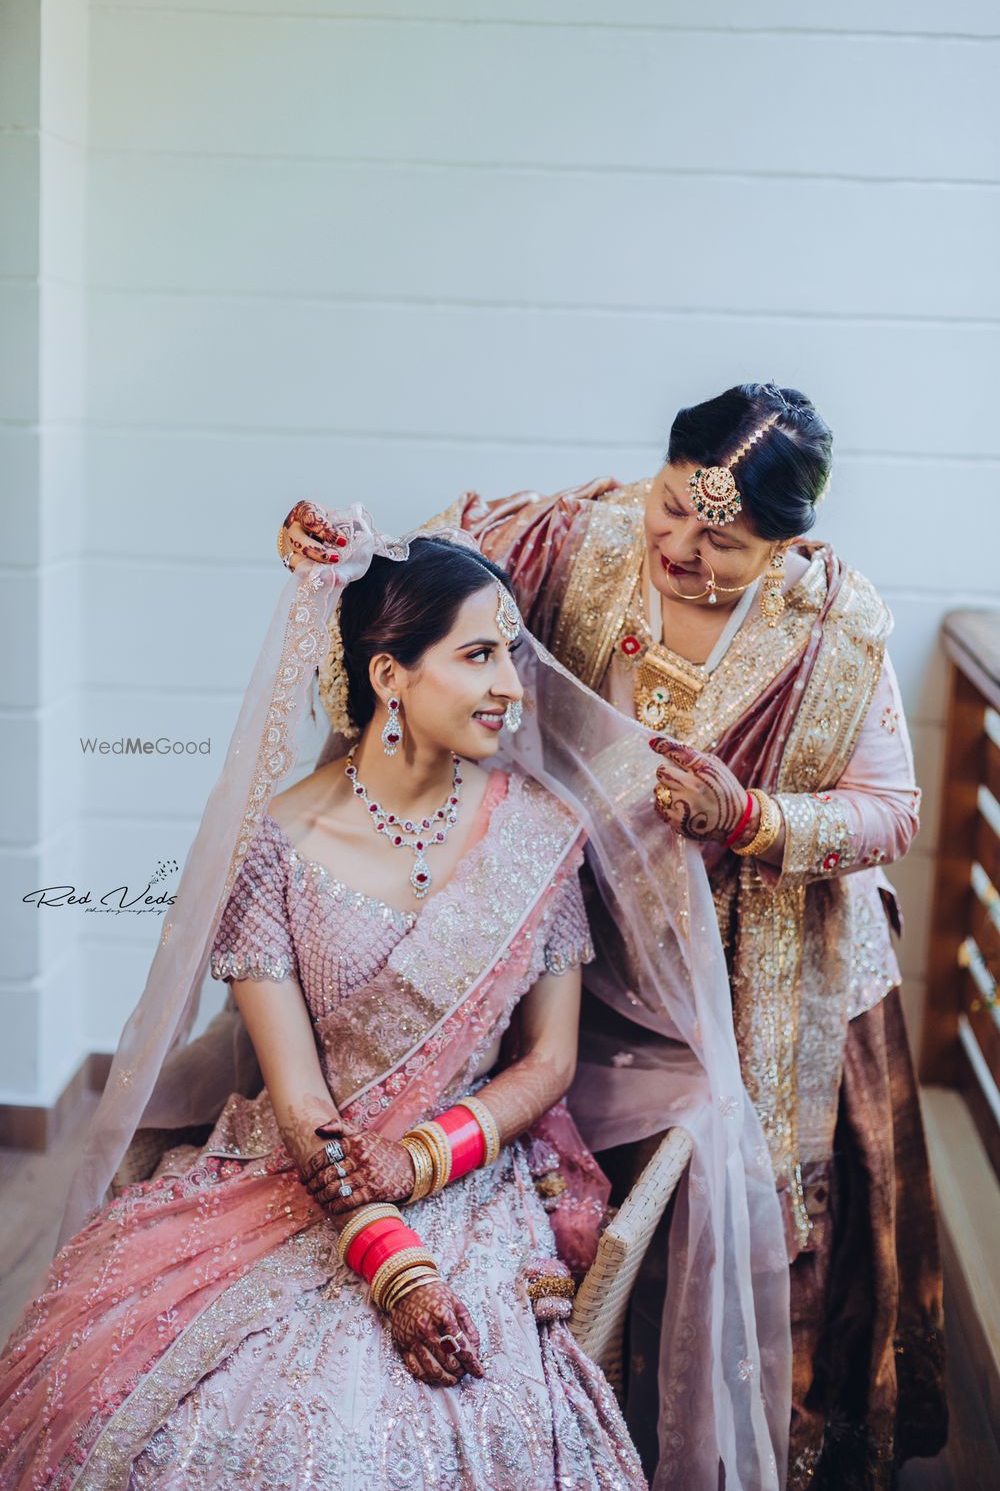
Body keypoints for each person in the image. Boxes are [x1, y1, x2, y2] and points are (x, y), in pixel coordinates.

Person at [275, 384, 948, 1490]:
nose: (679, 544)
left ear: (789, 543)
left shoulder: (834, 634)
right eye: (674, 504)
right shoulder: (569, 538)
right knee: (559, 1153)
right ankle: (580, 1418)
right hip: (571, 922)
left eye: (721, 538)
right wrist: (335, 555)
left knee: (725, 1187)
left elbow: (893, 811)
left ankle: (705, 1435)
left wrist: (750, 819)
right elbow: (415, 586)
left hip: (756, 967)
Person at [0, 530, 647, 1489]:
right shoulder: (274, 847)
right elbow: (299, 1098)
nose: (512, 682)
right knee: (154, 1407)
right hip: (297, 1172)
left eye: (512, 650)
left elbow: (547, 1061)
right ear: (390, 673)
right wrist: (394, 1265)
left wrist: (422, 1160)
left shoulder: (542, 835)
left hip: (470, 1180)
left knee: (378, 1438)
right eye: (478, 654)